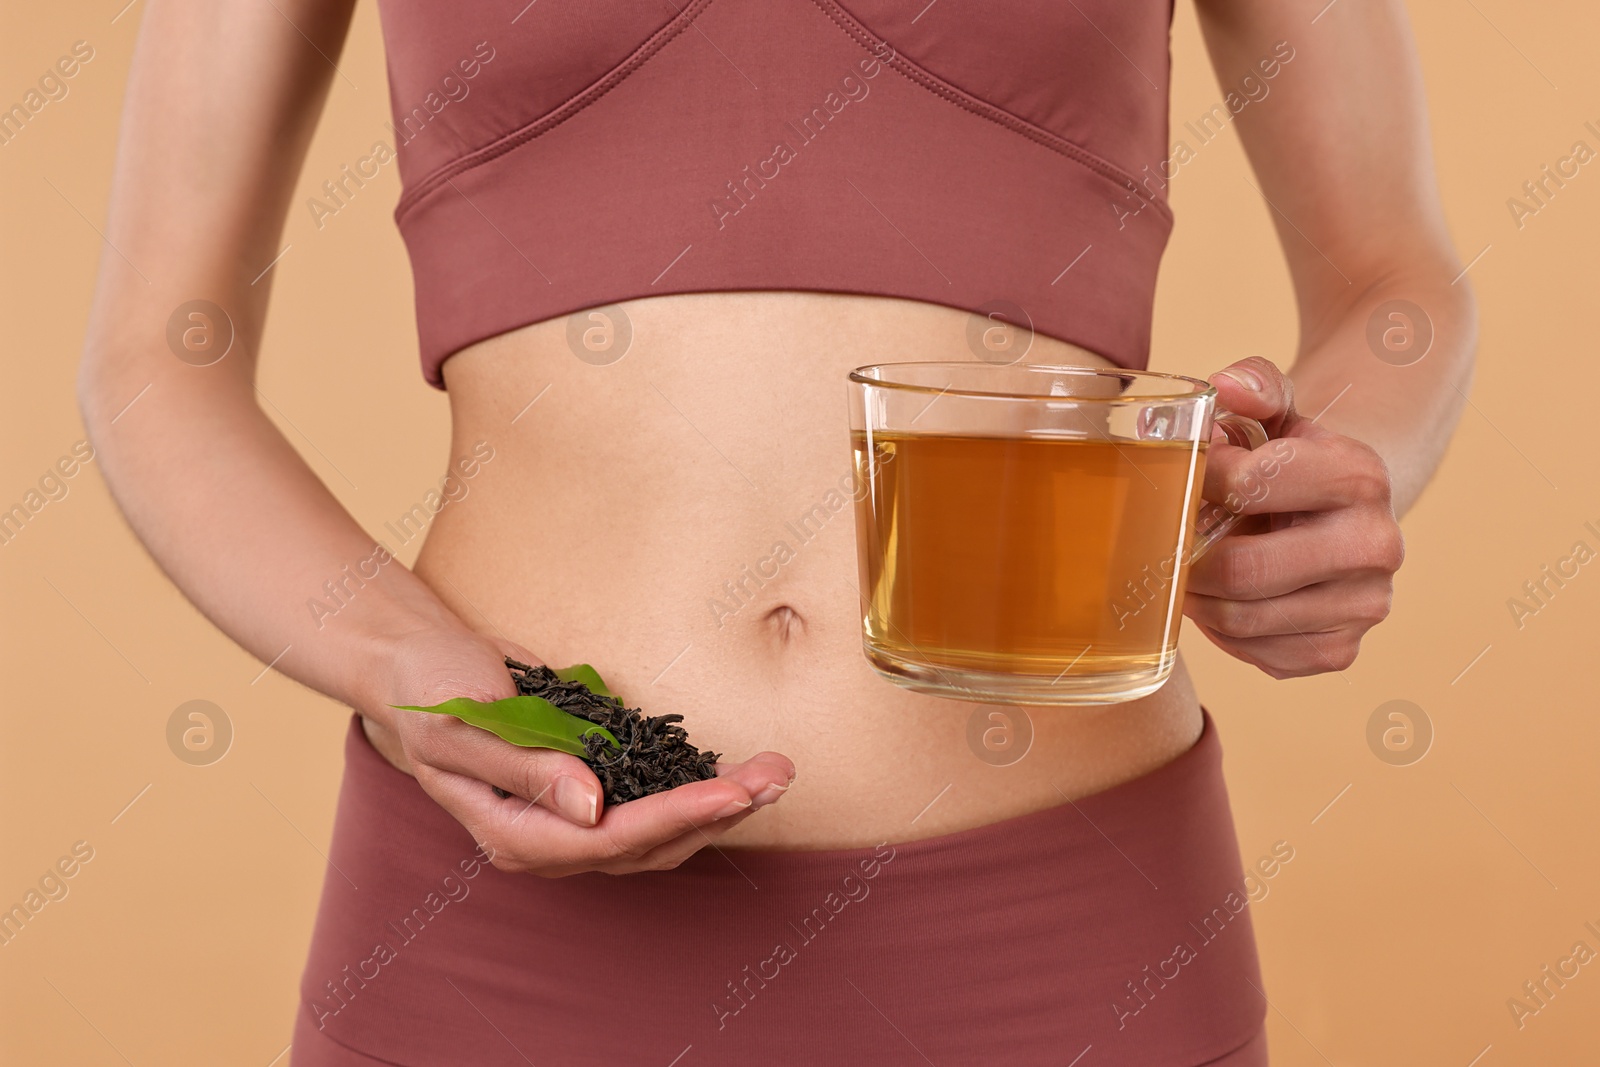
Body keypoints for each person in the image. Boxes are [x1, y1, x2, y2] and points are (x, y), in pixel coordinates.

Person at [78, 0, 1474, 1063]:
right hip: (502, 931)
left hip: (1062, 925)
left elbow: (1390, 280)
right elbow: (159, 357)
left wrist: (1328, 483)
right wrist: (401, 670)